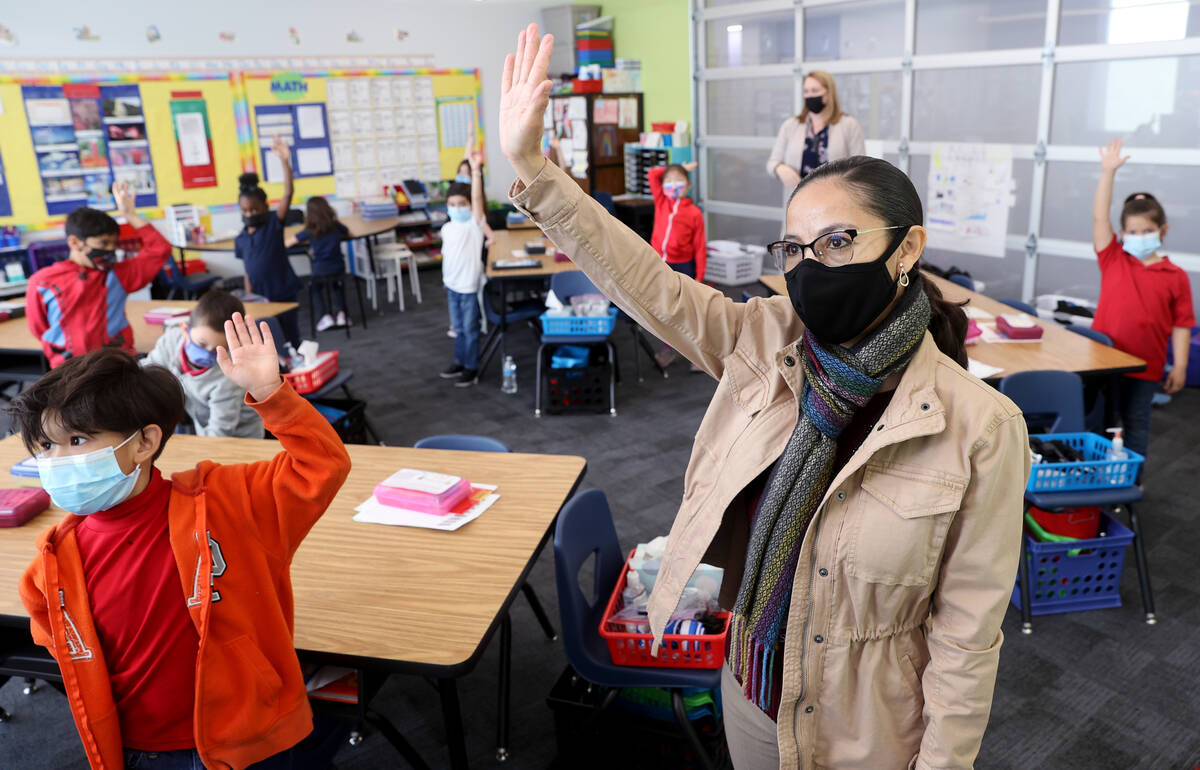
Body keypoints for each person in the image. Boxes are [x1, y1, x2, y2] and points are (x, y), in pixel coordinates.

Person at [499, 25, 1029, 770]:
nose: (812, 267)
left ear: (906, 249)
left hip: (867, 728)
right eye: (796, 248)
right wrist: (533, 168)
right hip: (750, 693)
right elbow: (647, 285)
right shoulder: (763, 343)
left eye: (839, 241)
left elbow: (967, 636)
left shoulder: (981, 427)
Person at [14, 315, 351, 769]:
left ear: (145, 442)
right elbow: (65, 650)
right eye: (46, 448)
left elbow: (321, 465)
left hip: (248, 745)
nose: (57, 462)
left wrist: (273, 395)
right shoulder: (50, 566)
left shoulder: (228, 503)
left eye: (76, 440)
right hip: (139, 752)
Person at [1090, 138, 1194, 462]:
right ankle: (1092, 476)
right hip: (1103, 362)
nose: (1138, 237)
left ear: (1162, 231)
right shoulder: (1113, 258)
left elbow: (1182, 325)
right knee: (1100, 422)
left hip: (1145, 368)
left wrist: (1180, 364)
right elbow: (1099, 218)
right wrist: (1108, 172)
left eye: (1146, 230)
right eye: (1132, 232)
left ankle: (1130, 480)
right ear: (1122, 232)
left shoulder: (1176, 275)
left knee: (1136, 422)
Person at [26, 180, 171, 368]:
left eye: (113, 244)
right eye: (103, 244)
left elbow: (160, 249)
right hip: (69, 368)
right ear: (75, 243)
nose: (110, 250)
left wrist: (130, 215)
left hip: (116, 364)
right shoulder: (43, 281)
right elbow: (39, 328)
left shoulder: (119, 274)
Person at [143, 290, 265, 438]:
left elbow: (219, 433)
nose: (207, 354)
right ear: (184, 330)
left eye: (217, 350)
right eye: (201, 344)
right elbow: (144, 373)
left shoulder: (229, 375)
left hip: (240, 438)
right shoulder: (170, 341)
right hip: (201, 421)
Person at [236, 135, 303, 348]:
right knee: (268, 338)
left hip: (283, 289)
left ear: (265, 207)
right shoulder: (241, 238)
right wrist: (249, 297)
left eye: (254, 209)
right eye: (245, 210)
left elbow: (288, 193)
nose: (250, 213)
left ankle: (297, 365)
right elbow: (247, 269)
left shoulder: (273, 224)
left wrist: (284, 160)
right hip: (260, 296)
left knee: (291, 335)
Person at [767, 71, 866, 205]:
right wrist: (780, 169)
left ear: (828, 93)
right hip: (798, 204)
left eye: (815, 90)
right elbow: (772, 163)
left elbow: (861, 169)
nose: (810, 95)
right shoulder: (791, 125)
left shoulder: (849, 125)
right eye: (806, 91)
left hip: (835, 204)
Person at [648, 160, 707, 369]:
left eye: (679, 180)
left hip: (683, 267)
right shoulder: (661, 201)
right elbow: (653, 173)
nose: (673, 184)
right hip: (660, 264)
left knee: (687, 311)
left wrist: (699, 276)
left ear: (688, 185)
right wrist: (679, 168)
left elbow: (700, 247)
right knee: (665, 309)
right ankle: (669, 348)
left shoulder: (694, 213)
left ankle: (696, 354)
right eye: (669, 181)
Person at [439, 149, 487, 387]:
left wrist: (476, 172)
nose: (456, 208)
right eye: (452, 204)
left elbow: (477, 200)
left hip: (468, 287)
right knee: (457, 329)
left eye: (461, 204)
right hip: (452, 286)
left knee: (470, 329)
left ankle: (471, 366)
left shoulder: (473, 225)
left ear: (469, 206)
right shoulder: (447, 228)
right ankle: (460, 361)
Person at [285, 195, 350, 332]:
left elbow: (288, 243)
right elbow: (348, 232)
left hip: (320, 270)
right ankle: (342, 314)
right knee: (337, 285)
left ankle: (324, 316)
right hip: (338, 267)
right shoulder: (335, 225)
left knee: (315, 289)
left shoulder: (309, 230)